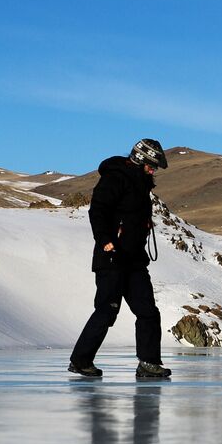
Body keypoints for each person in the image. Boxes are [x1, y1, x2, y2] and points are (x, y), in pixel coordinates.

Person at [69, 138, 172, 379]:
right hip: (112, 257)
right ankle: (80, 360)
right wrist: (105, 240)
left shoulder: (141, 185)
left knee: (148, 311)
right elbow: (98, 210)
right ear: (139, 159)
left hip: (135, 261)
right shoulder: (115, 177)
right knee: (107, 310)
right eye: (151, 165)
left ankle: (149, 363)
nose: (153, 170)